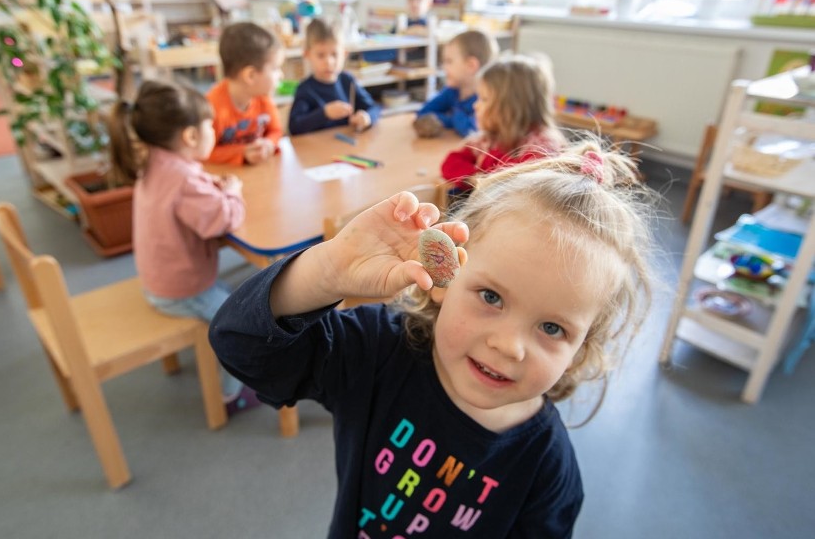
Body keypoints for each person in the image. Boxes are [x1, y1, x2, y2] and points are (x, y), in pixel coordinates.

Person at [209, 142, 656, 536]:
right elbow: (240, 344)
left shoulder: (547, 469)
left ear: (582, 347)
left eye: (553, 328)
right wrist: (326, 271)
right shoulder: (377, 354)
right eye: (491, 296)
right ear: (444, 276)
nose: (509, 346)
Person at [109, 79, 258, 416]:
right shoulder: (183, 180)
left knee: (236, 295)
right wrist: (232, 189)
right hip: (180, 289)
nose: (214, 131)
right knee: (243, 328)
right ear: (190, 136)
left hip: (160, 278)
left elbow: (188, 192)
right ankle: (230, 397)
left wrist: (213, 185)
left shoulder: (157, 163)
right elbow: (225, 218)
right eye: (210, 126)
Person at [441, 53, 567, 191]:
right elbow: (450, 162)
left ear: (510, 107)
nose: (475, 106)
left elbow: (512, 189)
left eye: (484, 99)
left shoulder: (542, 148)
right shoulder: (492, 136)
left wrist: (483, 176)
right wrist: (474, 177)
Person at [205, 21, 284, 166]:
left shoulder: (263, 99)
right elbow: (203, 153)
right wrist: (242, 153)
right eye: (275, 69)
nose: (281, 75)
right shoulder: (210, 108)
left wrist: (268, 143)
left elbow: (276, 131)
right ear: (251, 76)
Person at [288, 18, 381, 136]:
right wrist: (324, 113)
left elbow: (374, 107)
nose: (329, 62)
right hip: (315, 150)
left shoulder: (348, 81)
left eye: (335, 54)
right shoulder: (305, 89)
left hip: (347, 146)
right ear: (307, 55)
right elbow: (294, 127)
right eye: (321, 55)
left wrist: (367, 117)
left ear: (344, 54)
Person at [414, 29, 498, 138]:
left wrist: (448, 118)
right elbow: (424, 113)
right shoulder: (452, 91)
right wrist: (450, 119)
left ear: (471, 65)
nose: (444, 67)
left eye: (449, 61)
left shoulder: (485, 99)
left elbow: (471, 129)